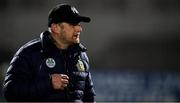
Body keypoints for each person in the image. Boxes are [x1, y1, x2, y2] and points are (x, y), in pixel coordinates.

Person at [3, 3, 96, 102]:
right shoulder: (29, 53)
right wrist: (48, 84)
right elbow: (10, 92)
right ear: (55, 28)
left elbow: (89, 97)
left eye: (78, 24)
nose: (79, 29)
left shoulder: (81, 55)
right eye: (72, 24)